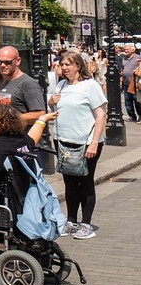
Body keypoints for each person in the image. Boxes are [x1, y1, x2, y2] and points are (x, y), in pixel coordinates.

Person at [48, 50, 108, 239]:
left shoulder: (90, 86)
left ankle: (86, 223)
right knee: (70, 181)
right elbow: (57, 110)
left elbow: (101, 115)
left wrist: (93, 143)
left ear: (78, 66)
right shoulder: (61, 85)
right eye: (62, 65)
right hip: (63, 140)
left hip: (85, 142)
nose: (64, 68)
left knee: (86, 181)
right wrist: (51, 102)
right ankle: (71, 220)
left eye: (68, 64)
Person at [0, 46, 47, 126]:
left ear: (18, 61)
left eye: (7, 62)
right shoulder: (4, 82)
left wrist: (10, 119)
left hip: (22, 136)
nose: (2, 65)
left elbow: (40, 114)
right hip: (6, 135)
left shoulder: (28, 83)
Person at [120, 43, 140, 123]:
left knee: (137, 101)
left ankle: (140, 116)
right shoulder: (124, 58)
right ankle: (132, 116)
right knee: (128, 101)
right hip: (126, 83)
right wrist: (121, 79)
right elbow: (123, 69)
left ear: (133, 50)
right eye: (125, 49)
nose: (126, 51)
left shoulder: (138, 58)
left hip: (135, 83)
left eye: (127, 49)